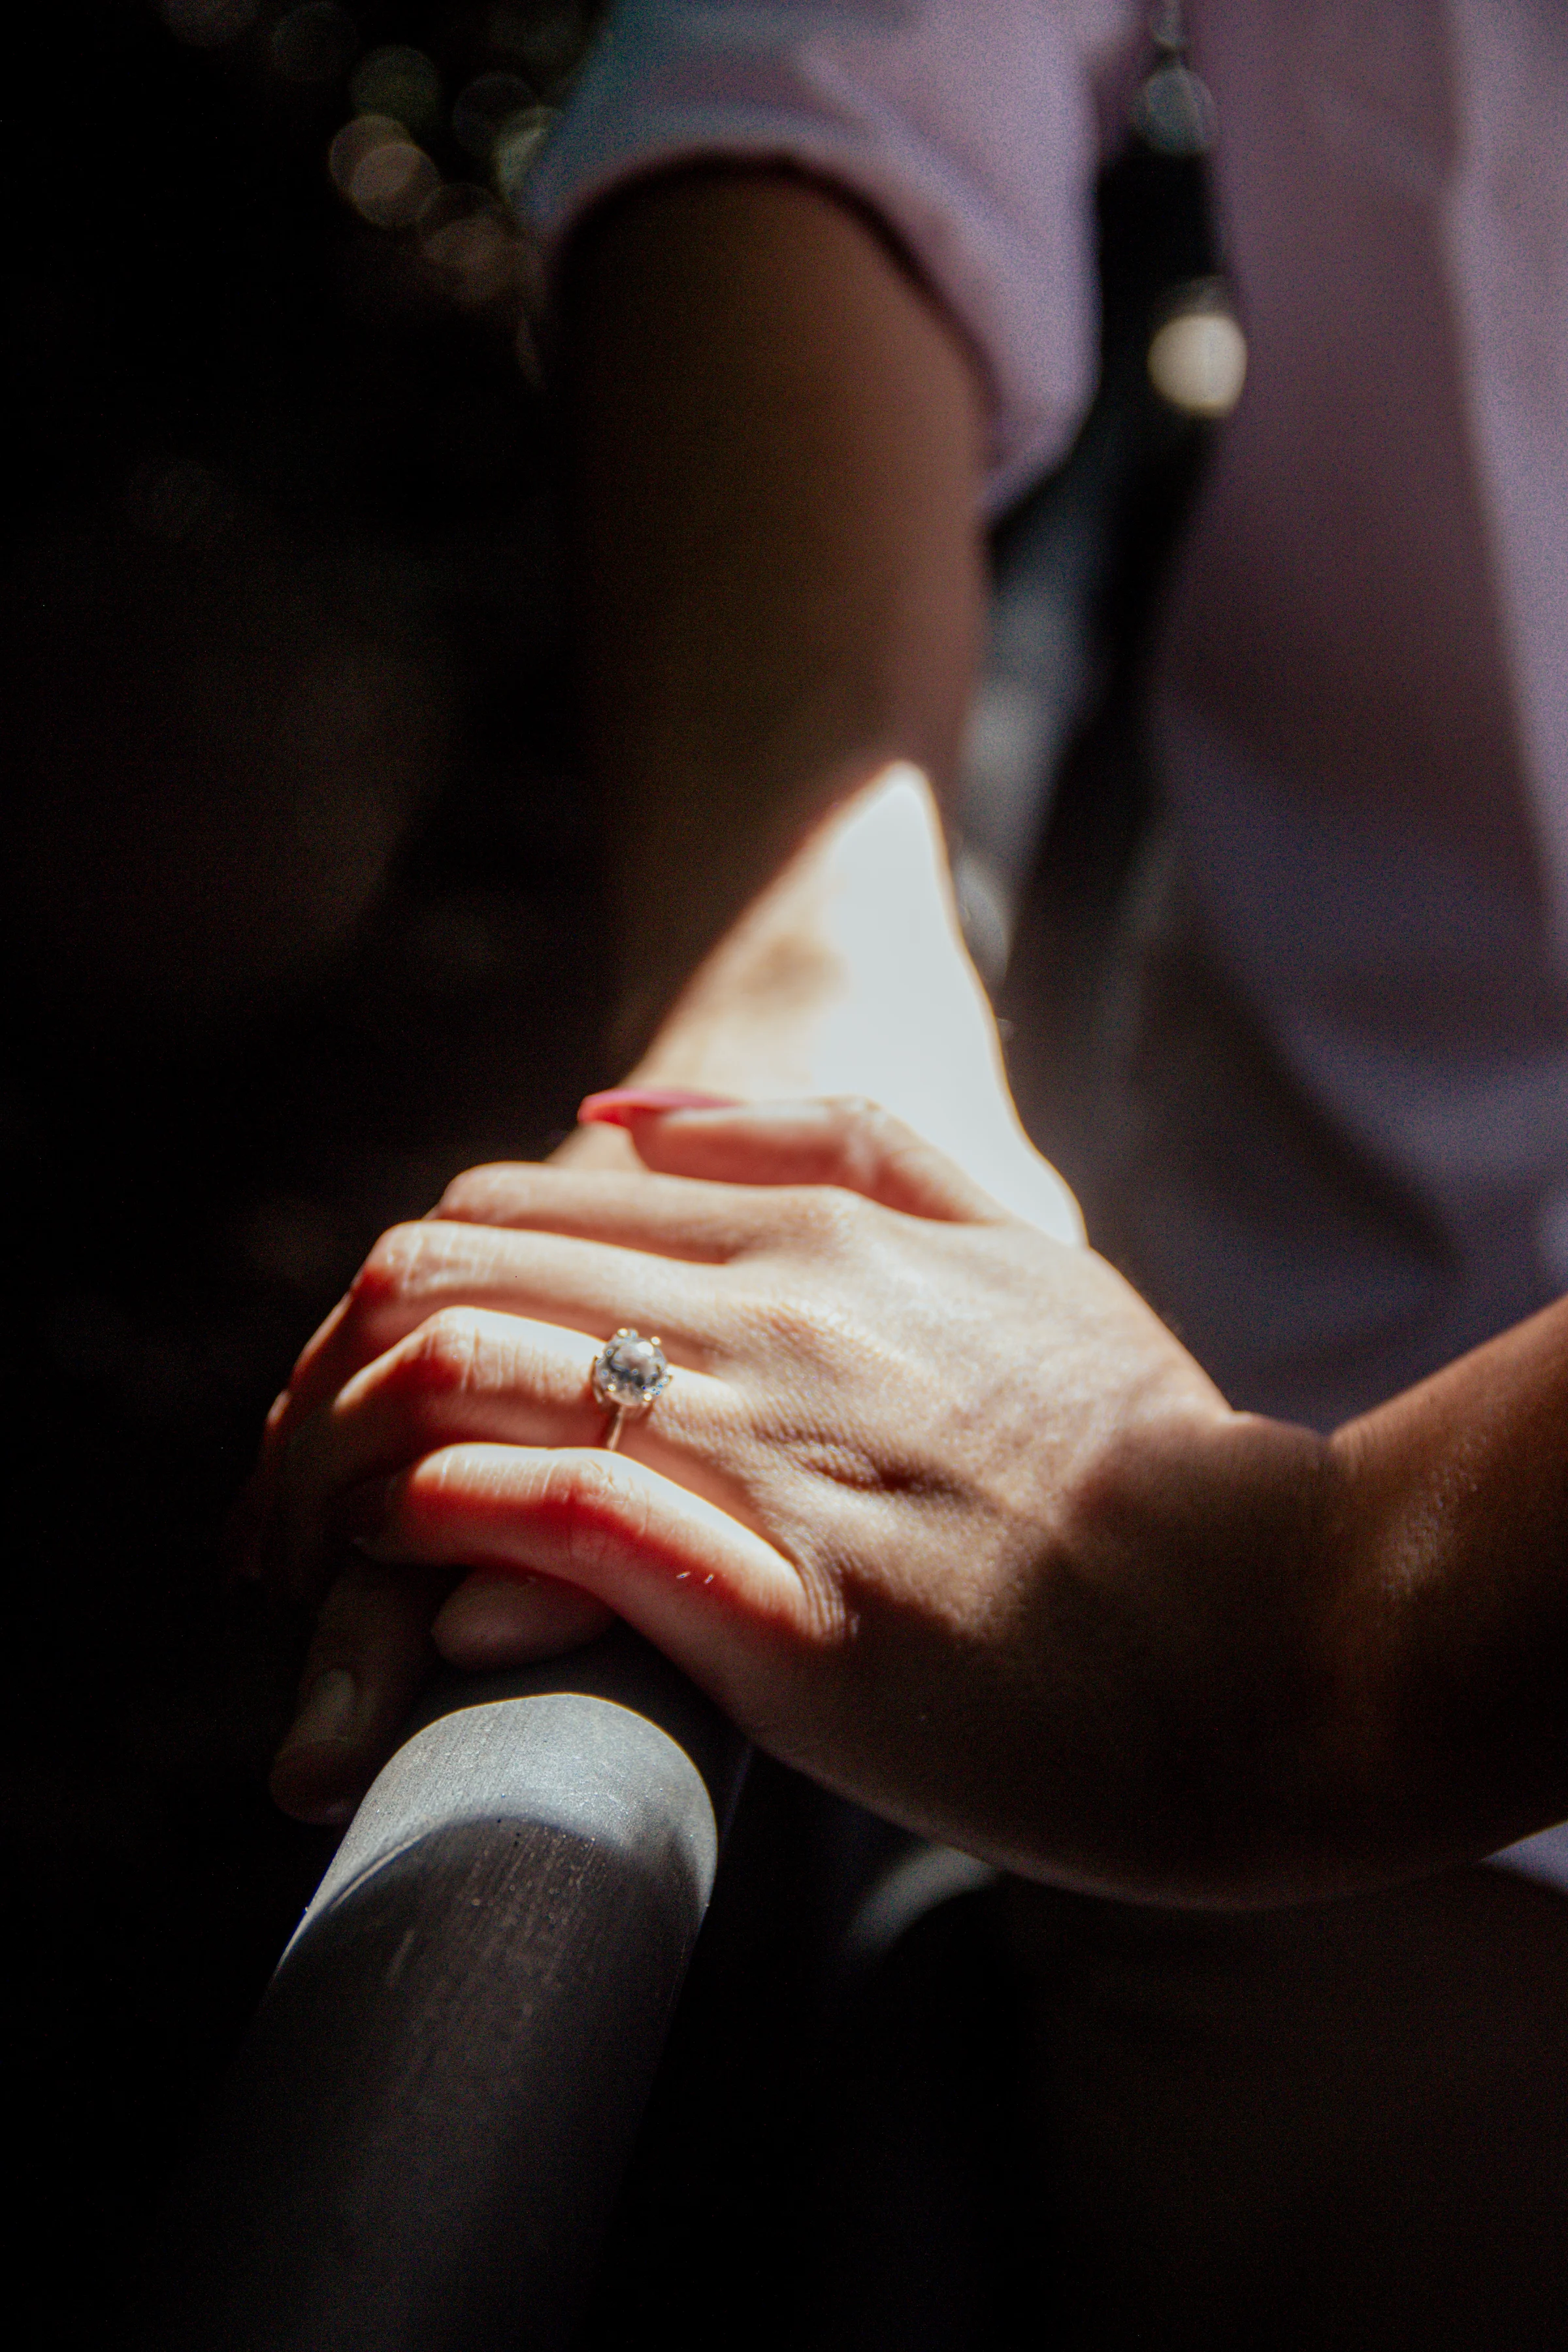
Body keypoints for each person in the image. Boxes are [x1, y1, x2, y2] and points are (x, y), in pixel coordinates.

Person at [251, 4, 1568, 2341]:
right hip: (1305, 1342)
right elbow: (829, 73)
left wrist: (1330, 1638)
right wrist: (808, 971)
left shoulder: (1288, 1644)